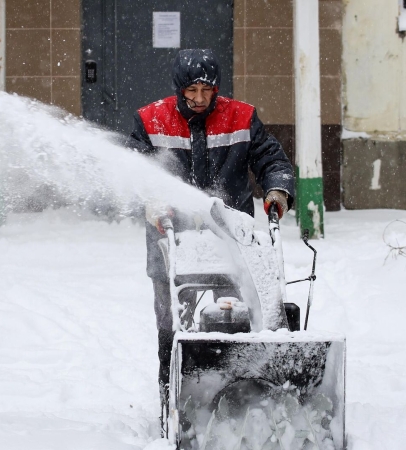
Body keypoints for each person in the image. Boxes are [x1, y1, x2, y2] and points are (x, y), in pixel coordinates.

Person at [126, 48, 295, 425]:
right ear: (178, 89)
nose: (200, 98)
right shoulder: (151, 119)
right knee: (172, 327)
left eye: (207, 89)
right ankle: (174, 404)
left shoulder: (241, 117)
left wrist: (277, 190)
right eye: (191, 90)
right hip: (172, 241)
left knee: (236, 321)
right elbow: (135, 168)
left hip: (229, 240)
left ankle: (240, 400)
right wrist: (150, 200)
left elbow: (271, 160)